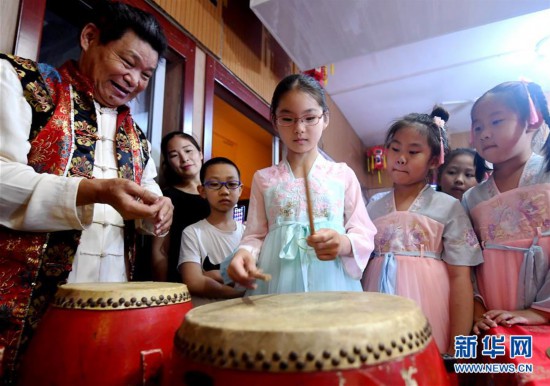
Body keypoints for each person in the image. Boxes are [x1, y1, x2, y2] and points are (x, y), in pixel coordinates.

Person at [0, 1, 173, 379]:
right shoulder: (23, 84)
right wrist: (90, 191)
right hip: (23, 305)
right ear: (89, 37)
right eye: (127, 62)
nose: (134, 81)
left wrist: (158, 211)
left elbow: (147, 196)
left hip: (109, 311)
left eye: (145, 74)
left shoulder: (138, 139)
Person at [227, 73, 376, 294]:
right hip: (277, 278)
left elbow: (362, 230)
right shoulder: (264, 178)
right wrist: (244, 253)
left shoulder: (342, 174)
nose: (299, 128)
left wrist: (343, 243)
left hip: (331, 278)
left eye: (309, 118)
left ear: (325, 118)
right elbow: (255, 235)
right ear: (275, 120)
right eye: (288, 118)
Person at [361, 106, 483, 354]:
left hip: (430, 302)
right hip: (376, 302)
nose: (401, 157)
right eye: (395, 148)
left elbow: (461, 278)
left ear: (433, 160)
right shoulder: (372, 208)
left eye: (413, 151)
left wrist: (458, 348)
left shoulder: (448, 207)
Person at [461, 81, 550, 334]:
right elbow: (468, 262)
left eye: (496, 122)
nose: (484, 133)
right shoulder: (472, 198)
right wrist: (477, 309)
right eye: (478, 127)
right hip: (492, 315)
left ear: (532, 120)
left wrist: (540, 311)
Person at [178, 157, 246, 305]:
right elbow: (194, 282)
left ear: (240, 190)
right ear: (202, 191)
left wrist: (216, 275)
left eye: (232, 184)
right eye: (214, 184)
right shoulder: (193, 232)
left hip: (245, 315)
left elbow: (256, 276)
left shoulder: (249, 234)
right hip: (205, 315)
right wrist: (239, 291)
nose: (224, 191)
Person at [151, 132, 210, 282]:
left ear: (201, 153)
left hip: (219, 278)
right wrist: (163, 291)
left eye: (188, 150)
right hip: (180, 282)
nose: (184, 158)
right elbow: (160, 250)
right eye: (174, 155)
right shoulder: (166, 198)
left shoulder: (218, 194)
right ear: (168, 163)